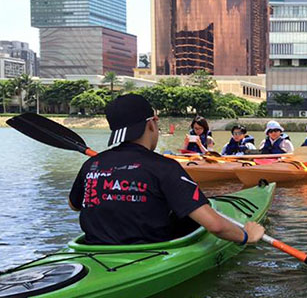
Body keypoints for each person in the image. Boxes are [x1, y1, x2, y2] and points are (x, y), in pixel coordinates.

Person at [69, 94, 264, 246]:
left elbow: (75, 205)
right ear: (152, 123)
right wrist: (247, 236)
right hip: (149, 251)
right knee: (192, 217)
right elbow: (216, 225)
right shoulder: (164, 167)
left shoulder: (92, 165)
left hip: (95, 247)